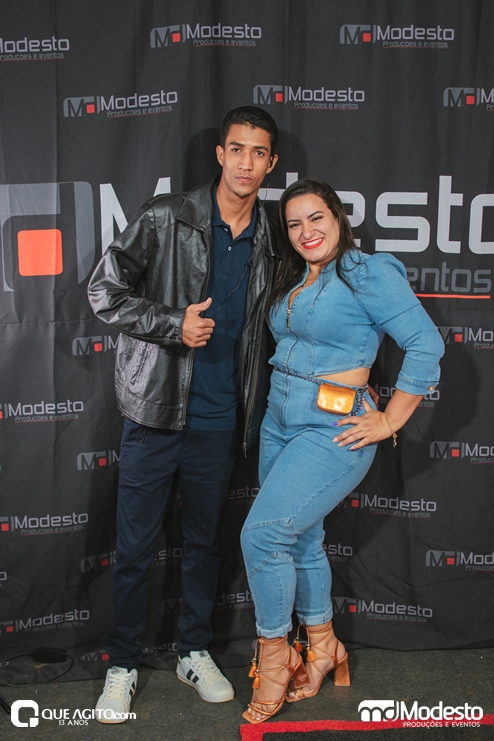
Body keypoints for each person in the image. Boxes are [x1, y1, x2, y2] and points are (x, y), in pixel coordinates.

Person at [87, 106, 279, 723]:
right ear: (219, 154)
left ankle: (194, 651)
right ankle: (122, 663)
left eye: (258, 153)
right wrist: (173, 324)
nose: (246, 163)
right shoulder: (167, 216)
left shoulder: (273, 236)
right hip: (155, 412)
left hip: (221, 420)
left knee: (203, 545)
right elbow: (103, 291)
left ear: (271, 163)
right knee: (135, 549)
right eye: (237, 149)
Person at [240, 178, 445, 724]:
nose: (306, 232)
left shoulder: (365, 271)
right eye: (294, 224)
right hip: (278, 421)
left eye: (317, 218)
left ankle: (275, 657)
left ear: (338, 218)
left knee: (263, 535)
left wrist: (390, 418)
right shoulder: (295, 275)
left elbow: (426, 343)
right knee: (301, 539)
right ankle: (324, 647)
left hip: (332, 426)